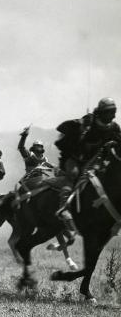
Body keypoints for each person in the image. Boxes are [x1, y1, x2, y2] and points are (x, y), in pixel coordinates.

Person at [54, 97, 121, 236]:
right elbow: (67, 136)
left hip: (96, 161)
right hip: (75, 158)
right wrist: (82, 130)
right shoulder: (88, 122)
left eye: (114, 111)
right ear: (101, 112)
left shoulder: (114, 128)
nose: (113, 115)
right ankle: (64, 208)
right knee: (73, 174)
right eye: (110, 112)